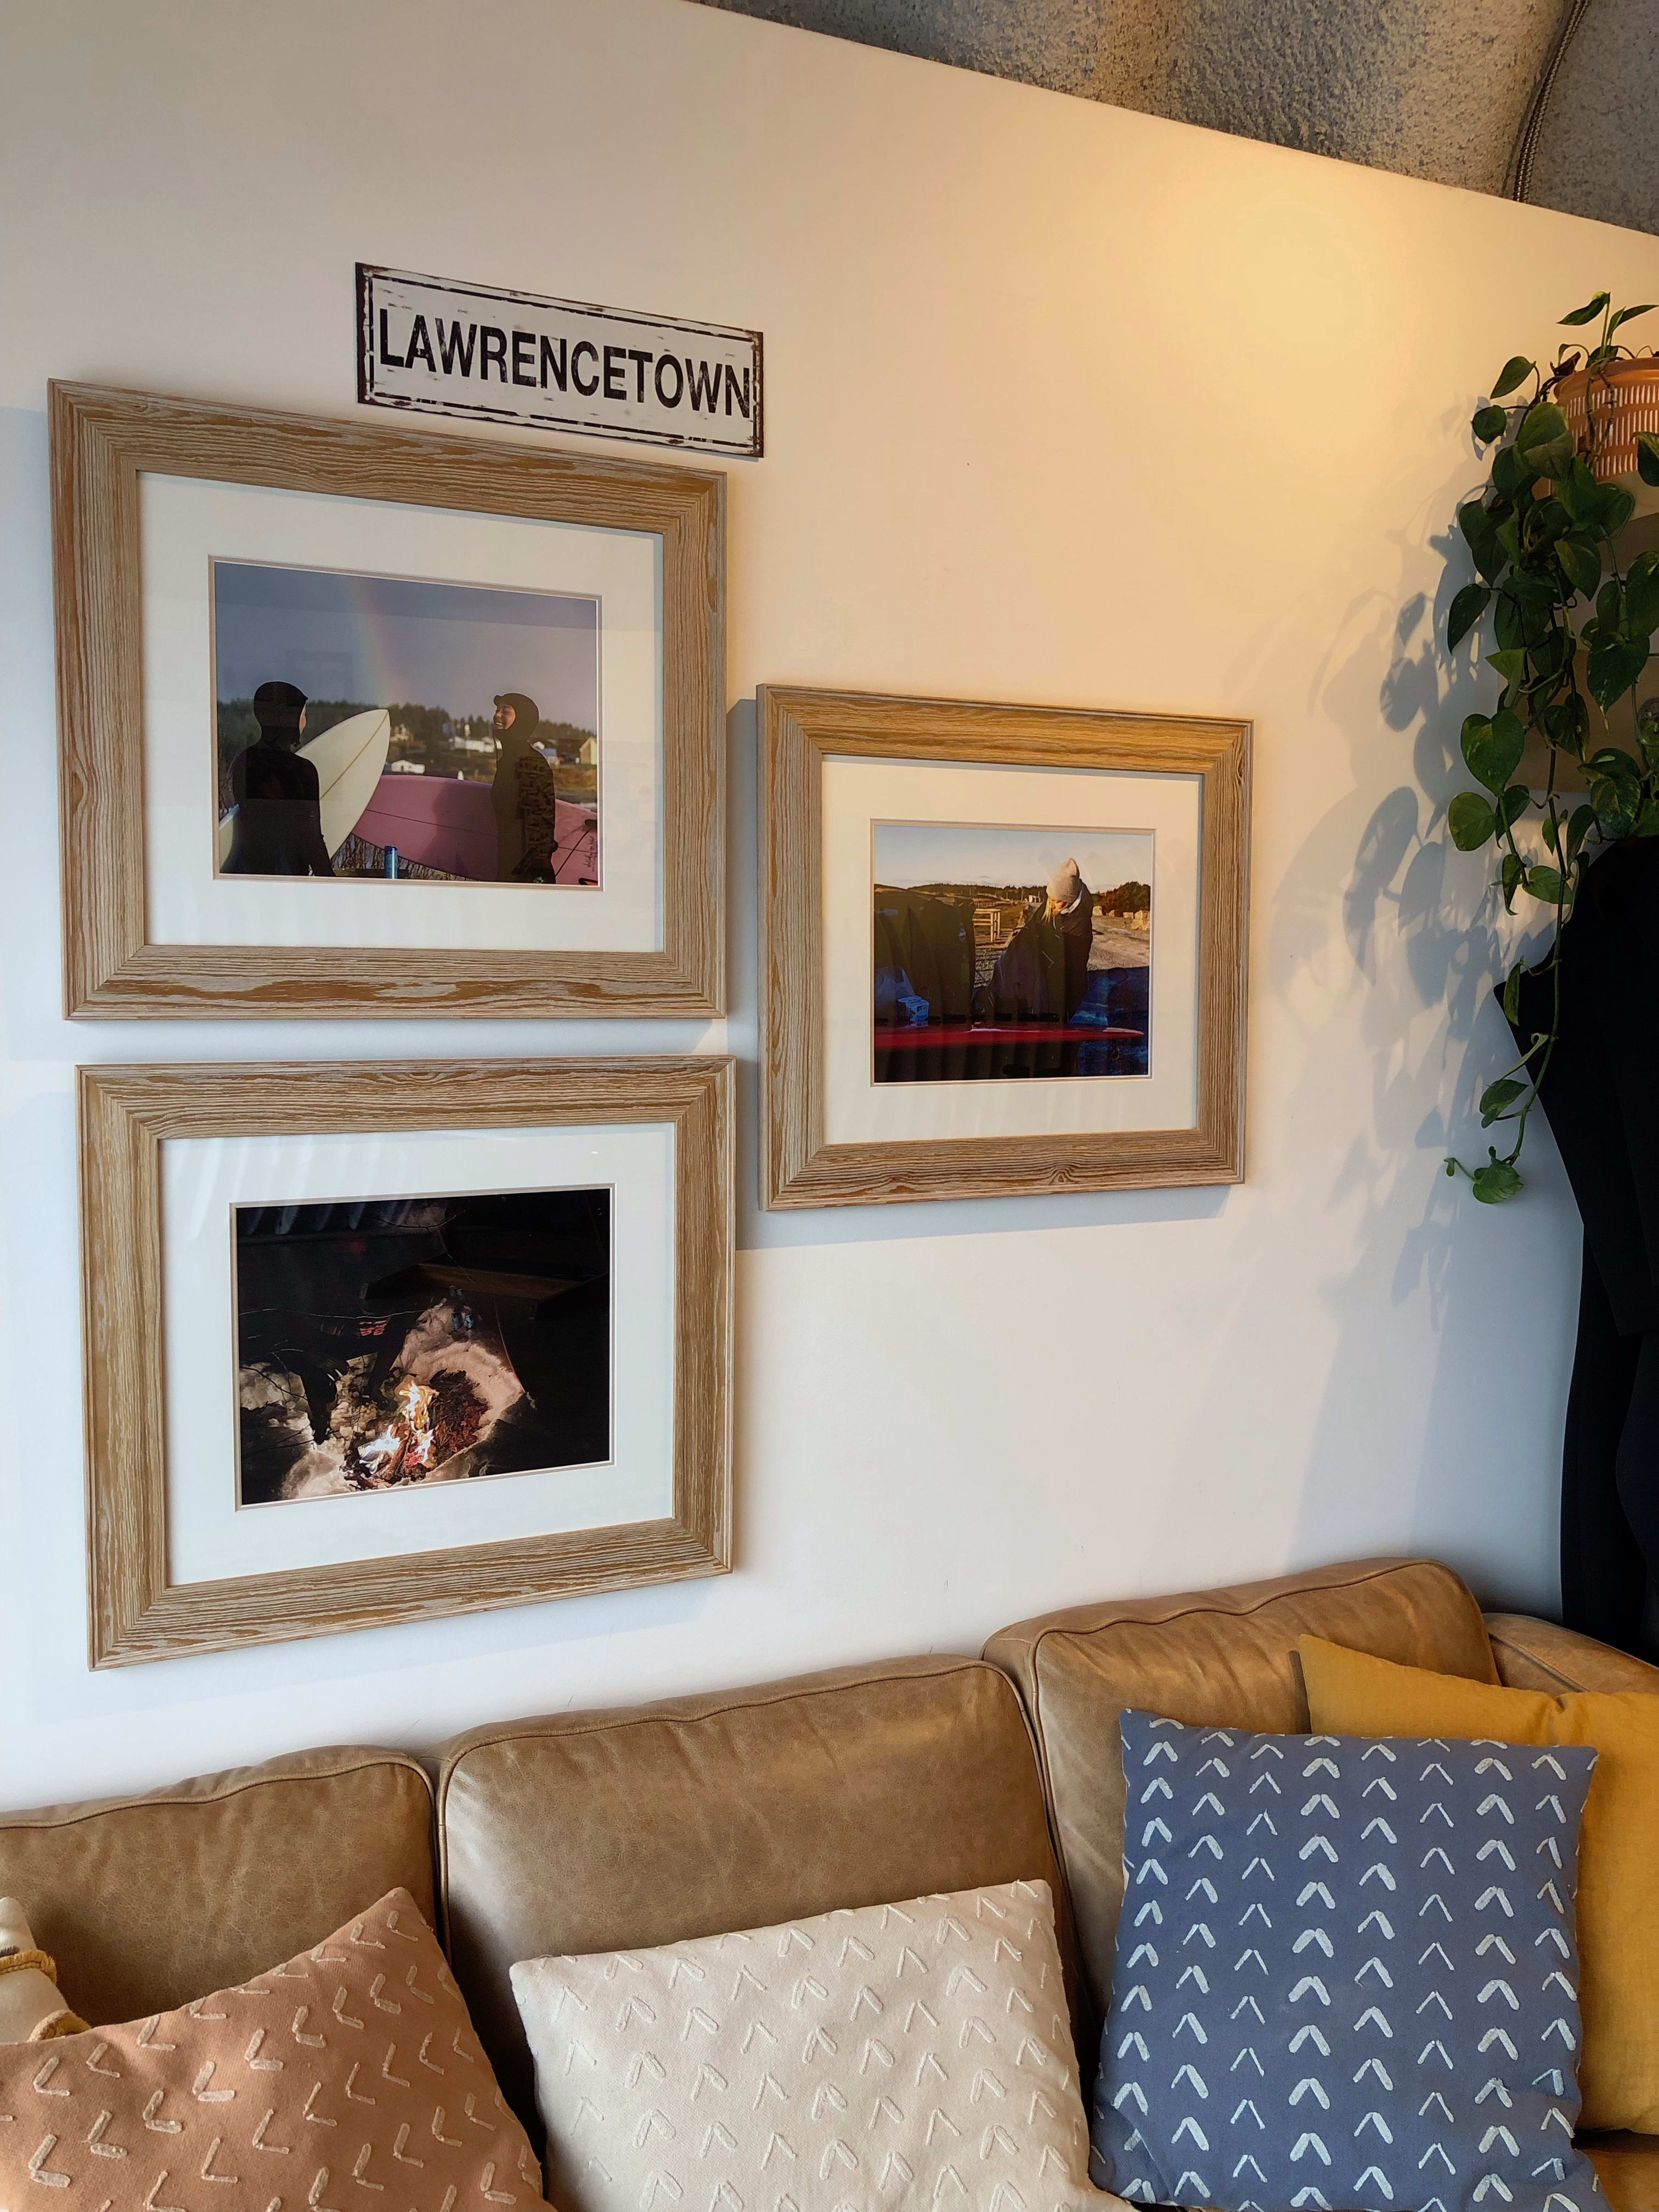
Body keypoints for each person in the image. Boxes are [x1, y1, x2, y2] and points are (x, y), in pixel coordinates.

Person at [222, 681, 334, 876]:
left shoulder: (245, 761)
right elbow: (311, 838)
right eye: (303, 715)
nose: (305, 722)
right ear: (290, 719)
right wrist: (330, 882)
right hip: (287, 876)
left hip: (246, 874)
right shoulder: (301, 770)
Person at [490, 691, 561, 882]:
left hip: (524, 871)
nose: (497, 715)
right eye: (497, 710)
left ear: (522, 720)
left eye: (506, 711)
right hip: (510, 863)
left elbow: (541, 822)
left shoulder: (530, 762)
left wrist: (533, 875)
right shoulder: (509, 760)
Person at [1042, 858, 1095, 1022]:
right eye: (1050, 899)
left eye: (1056, 901)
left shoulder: (1081, 924)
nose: (1051, 905)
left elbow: (1068, 964)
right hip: (1051, 985)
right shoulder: (1054, 906)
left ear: (1070, 899)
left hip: (1069, 990)